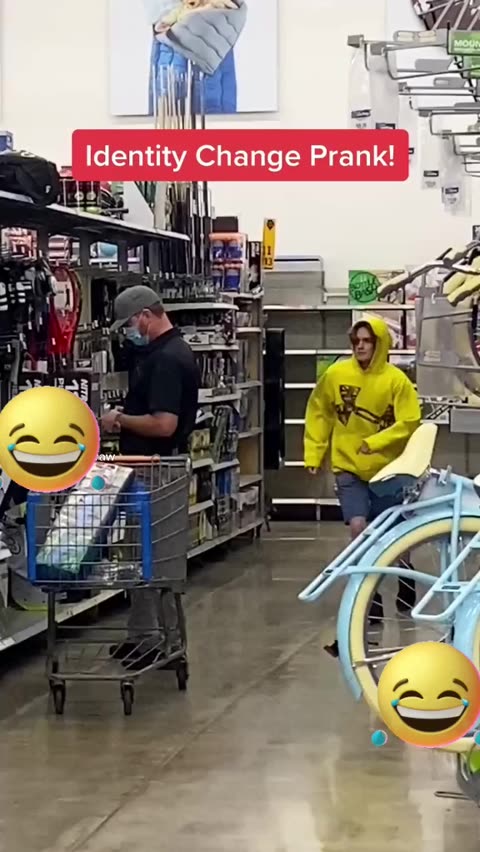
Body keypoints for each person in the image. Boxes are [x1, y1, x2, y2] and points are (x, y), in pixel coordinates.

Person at [303, 315, 421, 657]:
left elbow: (410, 420)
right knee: (358, 529)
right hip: (348, 467)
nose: (361, 346)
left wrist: (378, 442)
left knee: (396, 536)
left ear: (380, 344)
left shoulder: (397, 381)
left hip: (390, 470)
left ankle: (405, 581)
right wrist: (314, 452)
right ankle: (371, 599)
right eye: (356, 341)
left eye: (367, 341)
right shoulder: (336, 375)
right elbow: (319, 412)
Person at [101, 285, 200, 669]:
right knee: (145, 555)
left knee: (155, 559)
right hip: (151, 468)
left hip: (158, 471)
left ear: (145, 315)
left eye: (128, 324)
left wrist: (119, 419)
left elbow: (163, 424)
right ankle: (145, 637)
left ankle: (163, 644)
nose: (128, 333)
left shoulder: (168, 360)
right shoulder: (165, 352)